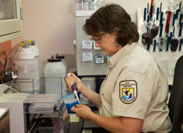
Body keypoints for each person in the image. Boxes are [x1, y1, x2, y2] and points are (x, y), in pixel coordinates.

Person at [65, 3, 172, 133]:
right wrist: (82, 88)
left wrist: (91, 116)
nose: (97, 45)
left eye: (99, 39)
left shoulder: (133, 69)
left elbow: (130, 129)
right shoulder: (123, 59)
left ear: (116, 32)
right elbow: (111, 107)